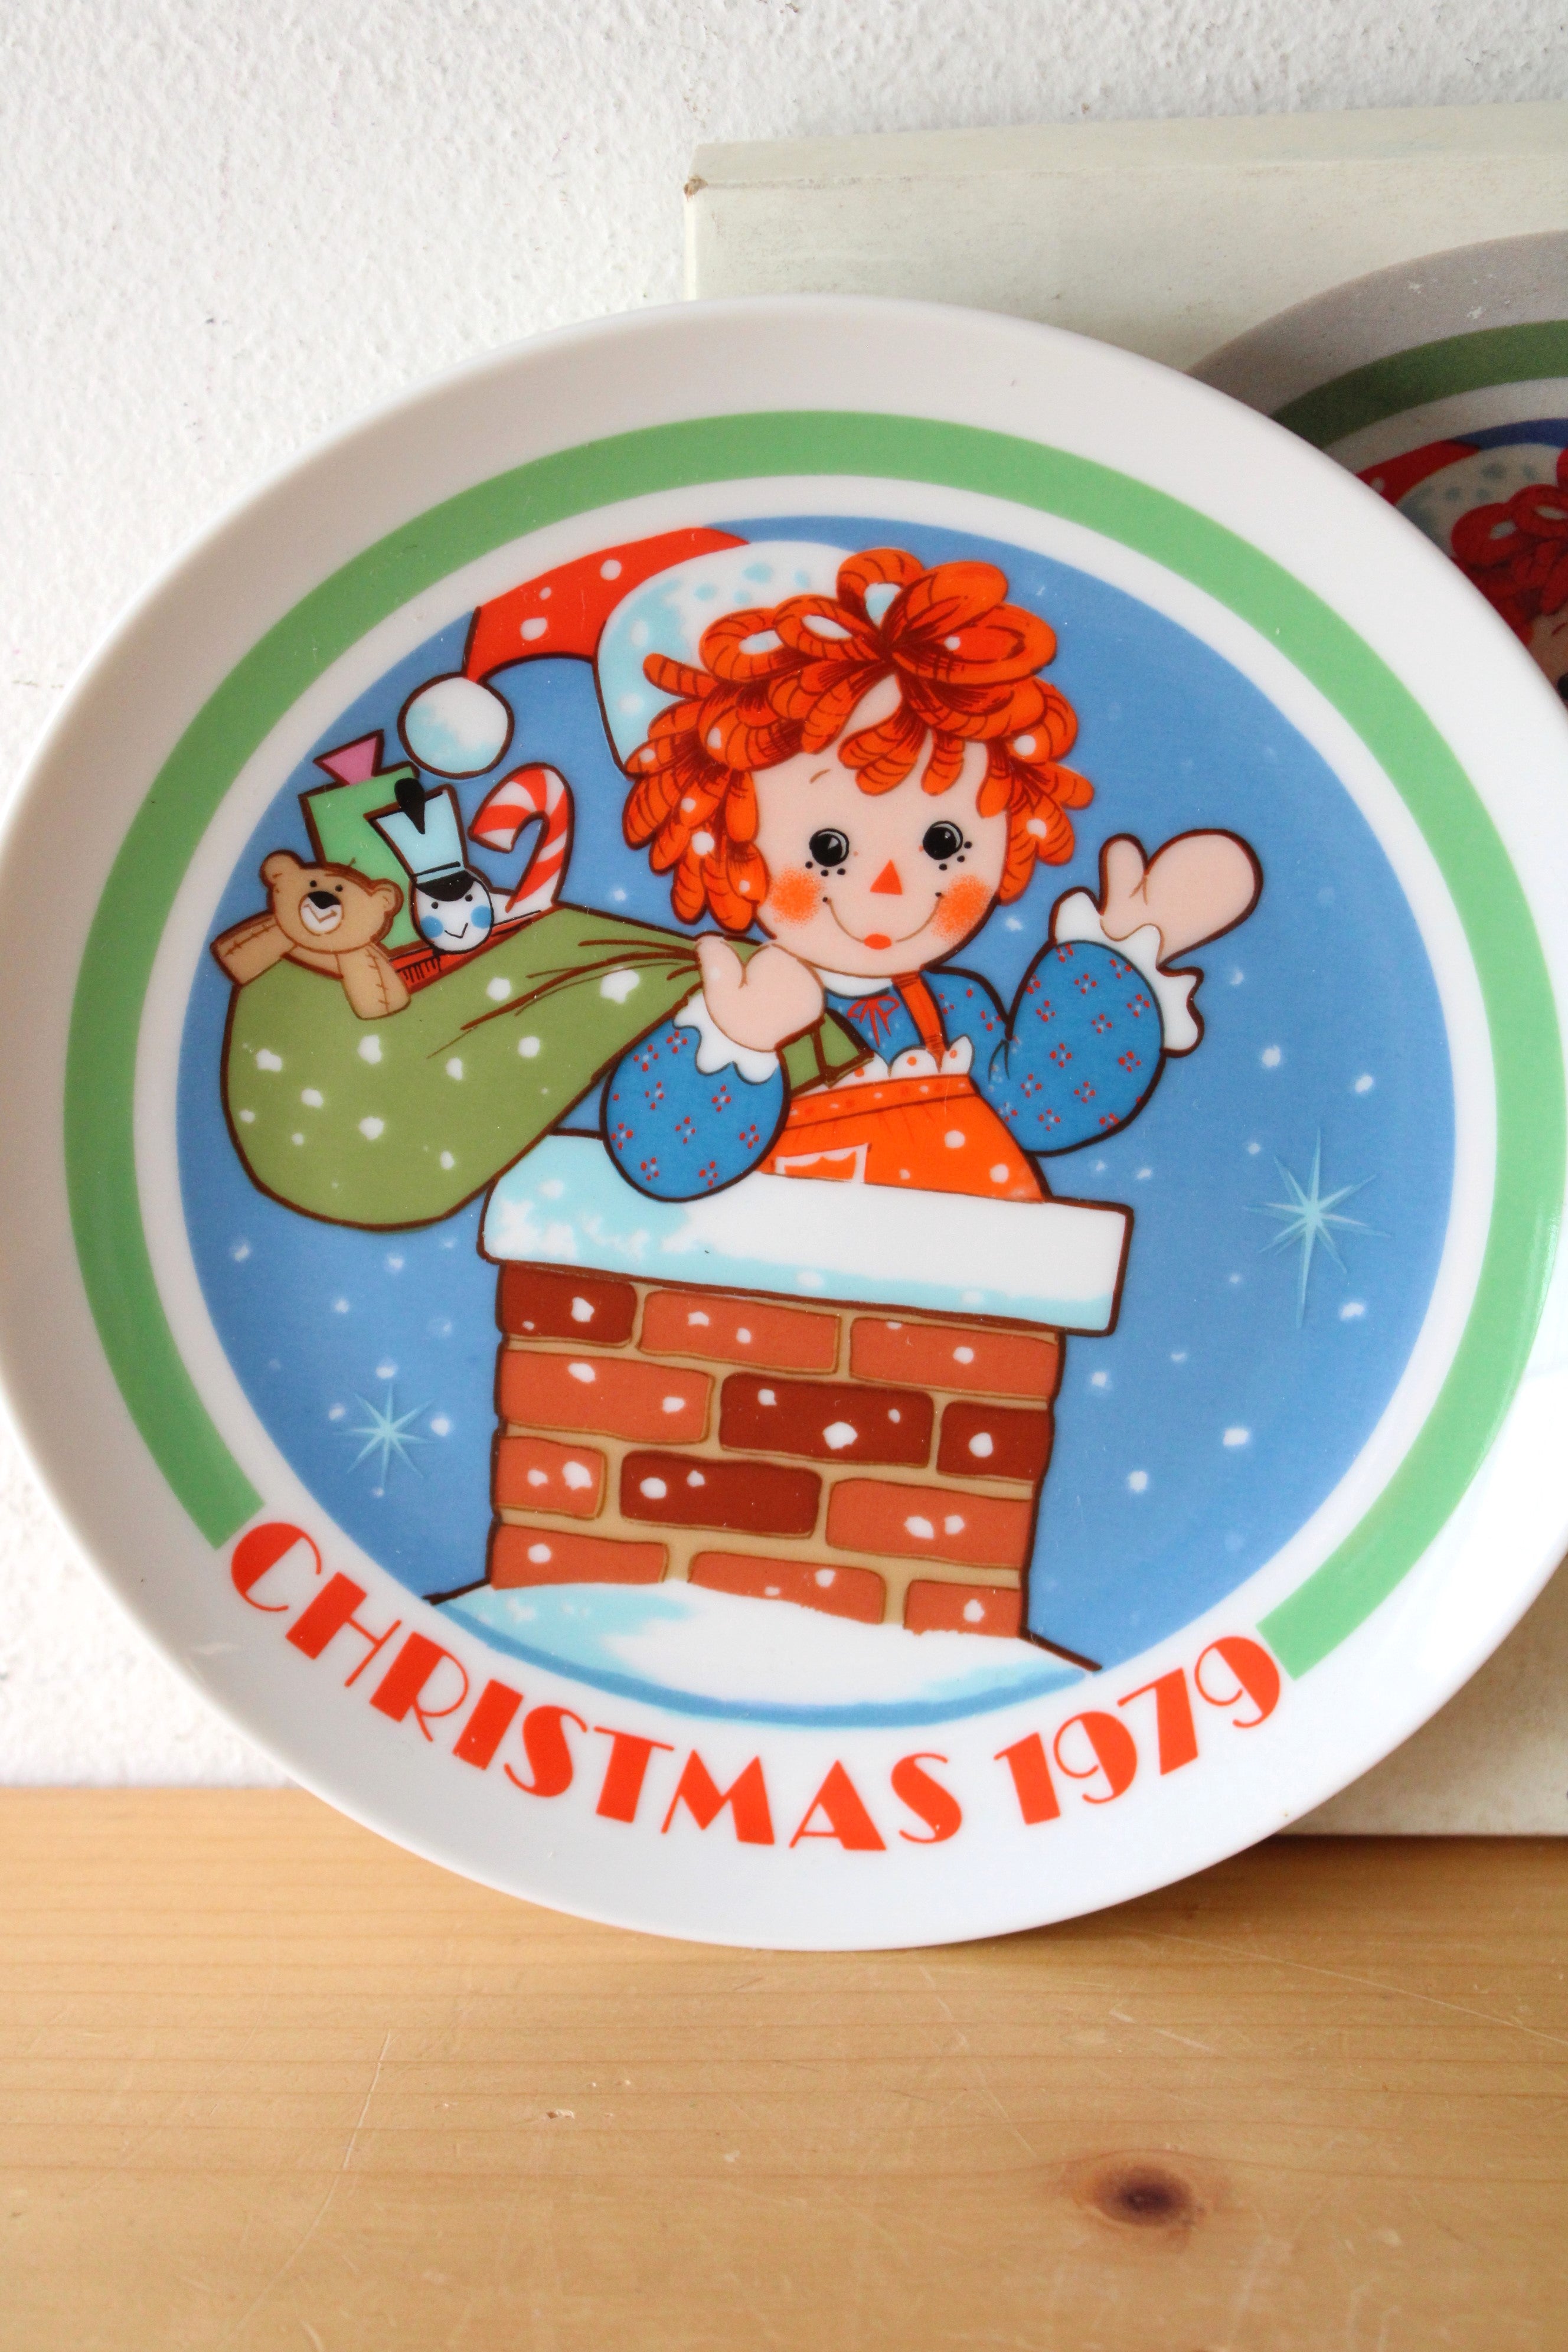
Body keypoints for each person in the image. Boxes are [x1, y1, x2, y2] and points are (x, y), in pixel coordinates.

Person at [598, 546, 1259, 1203]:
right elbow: (660, 1164)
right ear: (722, 837)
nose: (888, 885)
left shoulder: (956, 1008)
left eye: (944, 843)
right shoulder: (721, 997)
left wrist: (1120, 956)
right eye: (829, 848)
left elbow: (1041, 1106)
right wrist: (739, 1039)